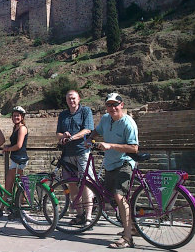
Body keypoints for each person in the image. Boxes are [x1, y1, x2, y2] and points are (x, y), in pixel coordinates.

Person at [86, 93, 138, 249]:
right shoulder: (106, 119)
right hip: (110, 164)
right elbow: (97, 130)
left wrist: (110, 145)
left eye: (115, 104)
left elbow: (134, 148)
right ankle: (133, 227)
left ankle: (127, 238)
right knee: (109, 196)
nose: (112, 108)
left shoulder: (128, 123)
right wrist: (89, 139)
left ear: (121, 105)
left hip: (125, 163)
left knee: (119, 195)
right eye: (109, 105)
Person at [56, 90, 94, 225]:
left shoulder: (85, 111)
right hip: (67, 154)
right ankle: (79, 215)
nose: (71, 101)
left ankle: (88, 216)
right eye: (69, 99)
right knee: (72, 184)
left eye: (73, 98)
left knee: (85, 183)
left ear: (79, 99)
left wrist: (72, 137)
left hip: (82, 152)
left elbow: (88, 129)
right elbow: (58, 134)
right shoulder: (63, 115)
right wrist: (63, 136)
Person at [2, 106, 28, 219]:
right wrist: (8, 146)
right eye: (14, 116)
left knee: (11, 184)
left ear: (22, 117)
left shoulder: (22, 128)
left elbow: (19, 145)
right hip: (15, 159)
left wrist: (7, 149)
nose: (16, 117)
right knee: (16, 185)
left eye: (18, 115)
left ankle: (6, 208)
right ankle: (14, 208)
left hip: (19, 159)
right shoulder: (15, 128)